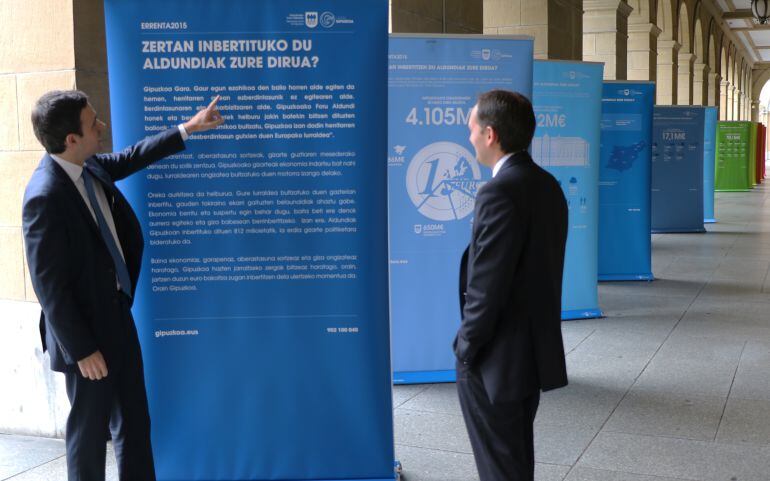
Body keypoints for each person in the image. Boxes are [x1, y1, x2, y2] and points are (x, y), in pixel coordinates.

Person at [22, 90, 224, 481]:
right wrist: (83, 351)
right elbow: (49, 286)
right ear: (71, 140)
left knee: (133, 422)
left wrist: (190, 127)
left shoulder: (90, 166)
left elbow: (132, 156)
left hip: (116, 316)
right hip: (85, 338)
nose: (102, 126)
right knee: (89, 433)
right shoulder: (44, 196)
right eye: (93, 122)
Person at [453, 90, 568, 481]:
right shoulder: (547, 185)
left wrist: (466, 348)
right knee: (515, 457)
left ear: (490, 135)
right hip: (530, 354)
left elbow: (488, 284)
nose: (468, 137)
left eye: (471, 128)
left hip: (496, 359)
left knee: (499, 465)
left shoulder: (499, 192)